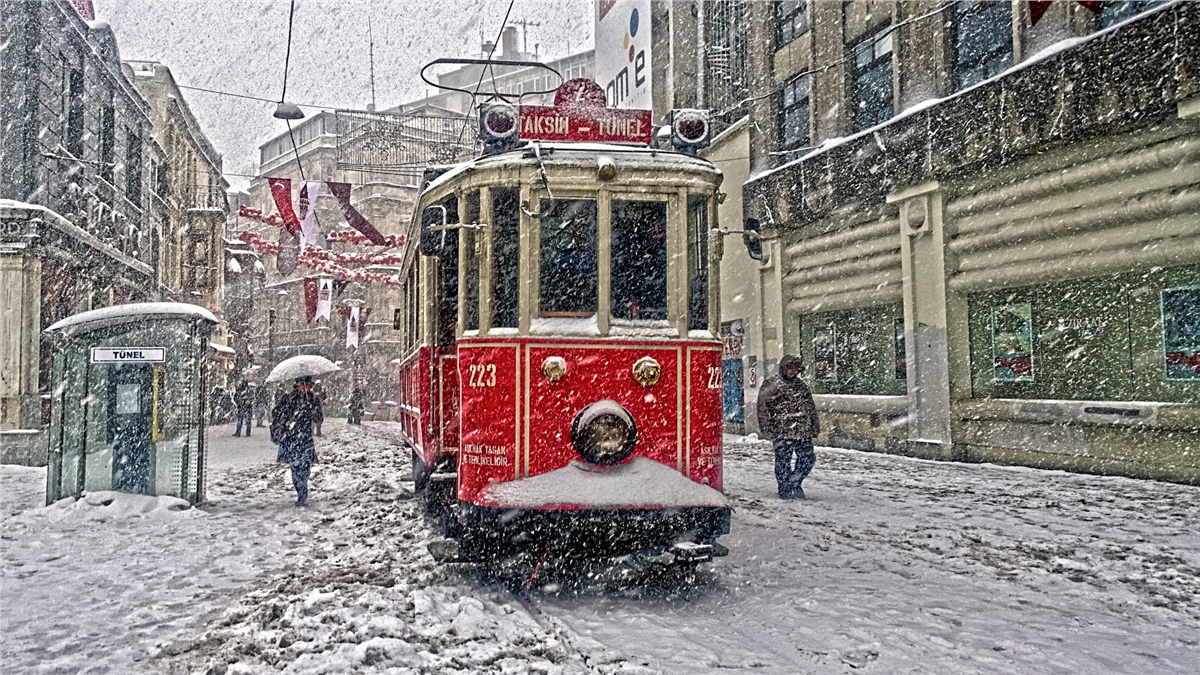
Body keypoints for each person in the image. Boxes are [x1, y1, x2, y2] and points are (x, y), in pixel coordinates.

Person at [756, 354, 820, 499]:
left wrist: (814, 427)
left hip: (802, 431)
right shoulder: (772, 384)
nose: (793, 371)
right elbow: (763, 407)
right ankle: (785, 489)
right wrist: (767, 427)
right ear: (783, 368)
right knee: (783, 462)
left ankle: (793, 482)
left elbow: (810, 407)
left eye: (796, 368)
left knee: (808, 459)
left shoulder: (801, 386)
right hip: (781, 430)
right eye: (790, 368)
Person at [271, 376, 323, 506]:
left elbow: (318, 419)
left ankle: (302, 492)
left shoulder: (313, 399)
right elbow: (275, 412)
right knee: (295, 467)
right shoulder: (288, 398)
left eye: (307, 386)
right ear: (297, 386)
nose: (305, 388)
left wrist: (313, 410)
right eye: (302, 385)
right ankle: (301, 492)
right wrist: (287, 414)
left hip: (305, 438)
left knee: (305, 468)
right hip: (291, 437)